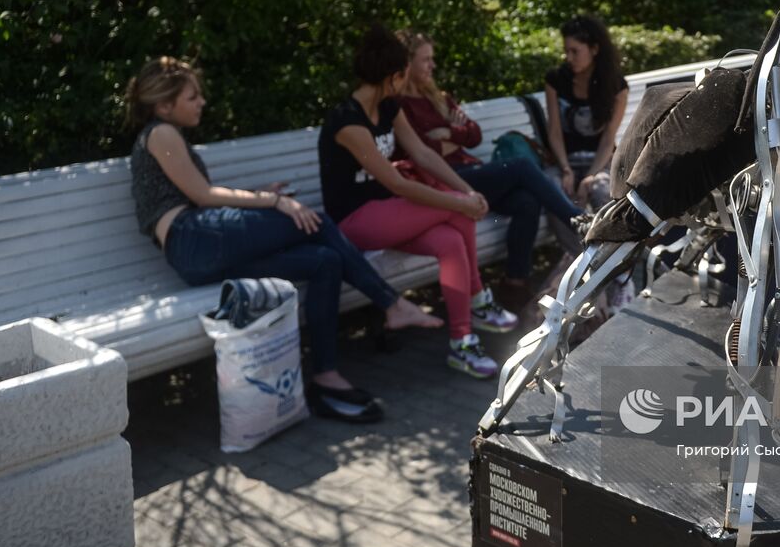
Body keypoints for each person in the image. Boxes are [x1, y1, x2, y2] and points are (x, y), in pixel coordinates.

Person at [125, 57, 441, 426]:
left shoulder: (167, 134)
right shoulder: (161, 132)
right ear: (164, 105)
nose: (201, 103)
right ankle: (390, 302)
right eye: (193, 97)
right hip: (191, 239)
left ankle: (325, 377)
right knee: (314, 221)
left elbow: (197, 197)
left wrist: (256, 194)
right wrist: (274, 202)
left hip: (199, 251)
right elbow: (203, 196)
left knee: (325, 260)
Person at [318, 25, 518, 379]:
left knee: (453, 240)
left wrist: (466, 192)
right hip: (355, 221)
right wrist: (460, 200)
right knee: (456, 210)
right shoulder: (346, 120)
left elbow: (424, 154)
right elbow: (396, 182)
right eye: (402, 77)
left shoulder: (389, 106)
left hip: (390, 215)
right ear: (393, 76)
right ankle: (477, 298)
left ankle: (462, 342)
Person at [395, 31, 583, 290]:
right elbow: (423, 150)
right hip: (443, 182)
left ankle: (515, 283)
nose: (433, 65)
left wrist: (450, 133)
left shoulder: (438, 98)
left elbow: (474, 134)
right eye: (426, 60)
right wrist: (452, 137)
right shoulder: (400, 106)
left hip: (472, 174)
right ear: (407, 62)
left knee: (526, 202)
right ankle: (576, 221)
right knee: (520, 166)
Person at [543, 16, 629, 211]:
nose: (569, 57)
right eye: (566, 51)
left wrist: (590, 176)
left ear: (594, 49)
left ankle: (606, 242)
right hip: (564, 161)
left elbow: (608, 139)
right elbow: (554, 132)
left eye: (575, 51)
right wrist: (565, 169)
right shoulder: (556, 80)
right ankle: (573, 243)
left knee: (601, 190)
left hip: (600, 161)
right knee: (554, 189)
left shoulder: (616, 86)